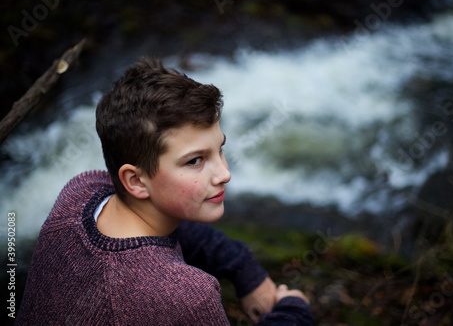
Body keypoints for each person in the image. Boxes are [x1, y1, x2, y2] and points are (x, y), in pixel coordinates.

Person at [16, 57, 314, 325]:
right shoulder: (185, 298)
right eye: (195, 161)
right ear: (135, 181)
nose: (225, 174)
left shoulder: (81, 193)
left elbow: (179, 229)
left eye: (219, 149)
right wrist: (293, 311)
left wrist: (242, 268)